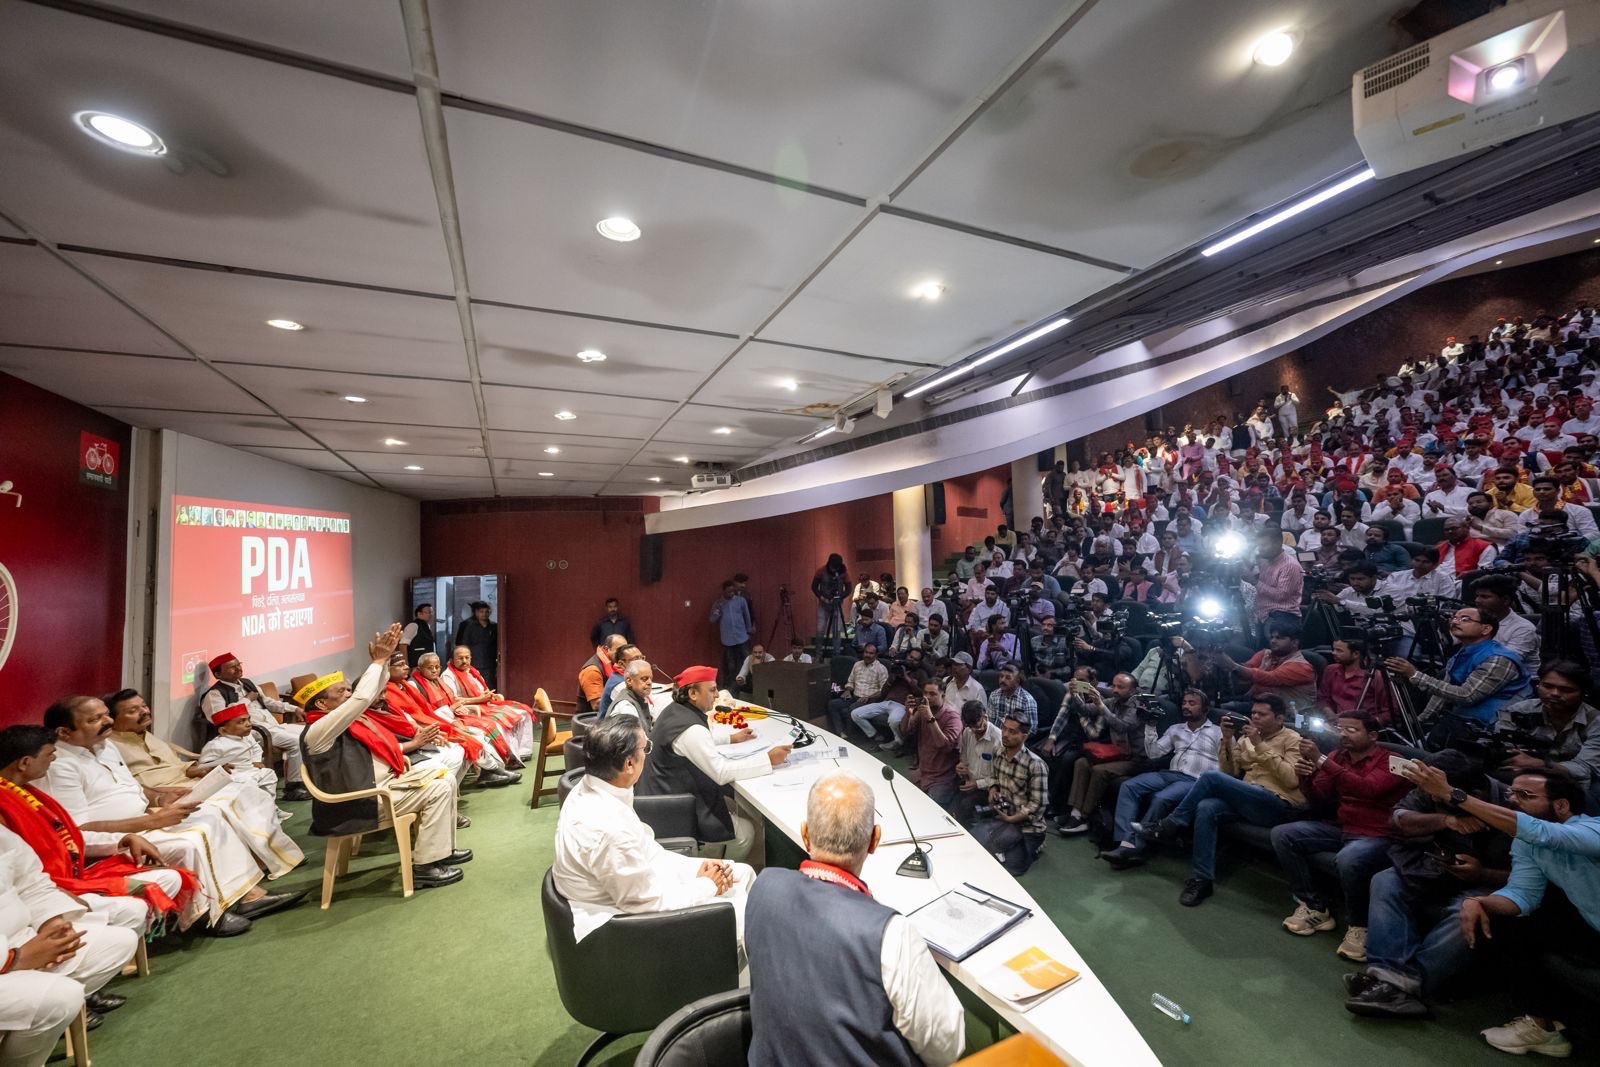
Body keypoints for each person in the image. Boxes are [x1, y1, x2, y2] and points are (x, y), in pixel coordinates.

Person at [745, 773, 963, 1067]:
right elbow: (947, 1046)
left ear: (805, 834)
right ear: (874, 840)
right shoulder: (890, 934)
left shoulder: (762, 887)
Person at [40, 695, 305, 929]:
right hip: (119, 838)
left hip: (145, 818)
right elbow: (75, 831)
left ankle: (246, 894)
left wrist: (159, 797)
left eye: (106, 714)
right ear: (64, 732)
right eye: (94, 719)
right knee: (189, 843)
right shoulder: (60, 767)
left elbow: (131, 786)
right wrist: (152, 820)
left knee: (211, 816)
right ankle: (204, 915)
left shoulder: (105, 745)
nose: (107, 721)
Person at [1398, 762, 1600, 1057]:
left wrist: (1453, 794)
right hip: (1590, 926)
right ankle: (1542, 1027)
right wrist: (1479, 901)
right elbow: (1522, 895)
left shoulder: (1592, 828)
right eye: (1511, 794)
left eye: (1525, 795)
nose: (1514, 800)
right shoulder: (1527, 843)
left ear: (1561, 805)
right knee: (1505, 920)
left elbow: (1545, 833)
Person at [553, 717, 753, 945]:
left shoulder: (592, 787)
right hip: (623, 922)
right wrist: (707, 885)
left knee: (742, 873)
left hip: (633, 887)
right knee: (749, 913)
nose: (648, 753)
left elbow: (646, 854)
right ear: (629, 764)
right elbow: (646, 903)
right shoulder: (609, 829)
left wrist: (695, 869)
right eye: (646, 747)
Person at [298, 625, 469, 890]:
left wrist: (384, 661)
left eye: (347, 689)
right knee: (438, 789)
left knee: (444, 777)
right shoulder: (318, 730)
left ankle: (442, 851)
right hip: (358, 801)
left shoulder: (340, 722)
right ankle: (425, 867)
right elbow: (362, 698)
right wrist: (378, 662)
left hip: (379, 788)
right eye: (341, 692)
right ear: (321, 704)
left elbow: (369, 695)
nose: (348, 695)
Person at [1344, 750, 1510, 1020]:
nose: (1432, 798)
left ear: (1472, 794)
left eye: (1439, 796)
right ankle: (1391, 977)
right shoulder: (1433, 788)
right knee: (1386, 880)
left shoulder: (1510, 805)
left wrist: (1482, 873)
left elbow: (1533, 877)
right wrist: (1446, 820)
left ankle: (1397, 985)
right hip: (1439, 866)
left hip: (1494, 880)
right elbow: (1399, 818)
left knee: (1467, 909)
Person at [0, 725, 202, 936]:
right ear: (25, 762)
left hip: (72, 874)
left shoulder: (26, 792)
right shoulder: (6, 804)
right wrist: (58, 894)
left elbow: (68, 837)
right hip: (48, 888)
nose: (54, 759)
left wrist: (123, 839)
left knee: (170, 879)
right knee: (135, 910)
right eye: (49, 754)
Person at [1138, 696, 1306, 906]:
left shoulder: (1293, 739)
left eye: (1262, 714)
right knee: (1206, 807)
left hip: (1275, 803)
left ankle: (1171, 824)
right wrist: (1226, 740)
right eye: (1253, 713)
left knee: (1210, 777)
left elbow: (1291, 780)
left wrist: (1259, 744)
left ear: (1279, 718)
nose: (1255, 717)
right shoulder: (1245, 739)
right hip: (1247, 799)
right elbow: (1230, 772)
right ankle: (1202, 880)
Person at [1270, 712, 1410, 962]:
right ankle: (1314, 906)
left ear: (1373, 735)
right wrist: (1305, 777)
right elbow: (1319, 799)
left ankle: (1359, 926)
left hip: (1379, 835)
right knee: (1284, 834)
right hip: (1343, 828)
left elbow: (1367, 789)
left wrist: (1321, 760)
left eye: (1351, 730)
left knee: (1349, 858)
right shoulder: (1337, 756)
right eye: (1340, 729)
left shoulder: (1394, 761)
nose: (1343, 734)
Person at [0, 826, 140, 1067]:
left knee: (119, 944)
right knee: (61, 998)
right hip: (9, 955)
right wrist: (16, 958)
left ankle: (29, 1034)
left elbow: (31, 884)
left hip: (24, 938)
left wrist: (53, 925)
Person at [638, 666, 790, 863]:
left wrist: (730, 738)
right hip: (673, 808)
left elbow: (694, 743)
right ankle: (720, 871)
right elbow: (721, 772)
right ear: (693, 693)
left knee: (733, 805)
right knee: (746, 833)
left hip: (661, 794)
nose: (717, 695)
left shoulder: (675, 711)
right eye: (712, 690)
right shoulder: (690, 728)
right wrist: (768, 759)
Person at [1100, 689, 1222, 869]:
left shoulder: (1219, 732)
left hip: (1195, 780)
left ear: (1205, 709)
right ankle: (1124, 843)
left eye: (1192, 703)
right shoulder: (1176, 729)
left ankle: (1134, 847)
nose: (1186, 706)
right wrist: (1151, 726)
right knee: (1129, 786)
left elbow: (1229, 761)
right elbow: (1154, 754)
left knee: (1161, 798)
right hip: (1170, 774)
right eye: (1184, 703)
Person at [1385, 607, 1531, 750]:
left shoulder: (1498, 658)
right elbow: (1443, 692)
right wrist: (1421, 721)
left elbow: (1467, 695)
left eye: (1465, 619)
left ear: (1486, 629)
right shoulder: (1464, 652)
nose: (1455, 622)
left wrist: (1415, 675)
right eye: (1454, 618)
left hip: (1490, 729)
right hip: (1462, 720)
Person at [198, 652, 307, 802]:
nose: (238, 668)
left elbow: (268, 702)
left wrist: (293, 708)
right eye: (231, 667)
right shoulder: (214, 694)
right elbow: (219, 718)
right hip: (252, 732)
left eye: (238, 664)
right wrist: (247, 699)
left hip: (273, 726)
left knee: (308, 733)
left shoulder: (247, 683)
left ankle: (308, 777)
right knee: (296, 742)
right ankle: (294, 787)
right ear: (218, 674)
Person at [1056, 673, 1151, 835]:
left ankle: (1085, 817)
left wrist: (1101, 705)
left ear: (1133, 690)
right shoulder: (1114, 701)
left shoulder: (1140, 706)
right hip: (1118, 753)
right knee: (1081, 762)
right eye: (1114, 686)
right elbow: (1085, 710)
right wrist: (1075, 695)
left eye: (1120, 687)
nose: (1115, 690)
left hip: (1136, 758)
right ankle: (1075, 813)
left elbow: (1122, 726)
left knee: (1099, 771)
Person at [1492, 661, 1599, 793]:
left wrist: (1542, 765)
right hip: (1523, 775)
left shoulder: (1595, 722)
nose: (1555, 693)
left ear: (1584, 693)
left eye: (1566, 690)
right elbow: (1503, 745)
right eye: (1547, 686)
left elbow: (1585, 768)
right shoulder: (1519, 710)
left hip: (1575, 783)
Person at [972, 714, 1048, 875]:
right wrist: (993, 789)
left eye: (1012, 731)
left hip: (1027, 826)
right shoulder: (999, 752)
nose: (1005, 734)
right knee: (976, 841)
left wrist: (1012, 819)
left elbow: (1038, 805)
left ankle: (1033, 846)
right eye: (1004, 729)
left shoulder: (1035, 764)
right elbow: (994, 777)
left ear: (1024, 736)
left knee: (1009, 867)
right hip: (1005, 816)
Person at [441, 645, 536, 761]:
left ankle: (524, 751)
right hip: (469, 710)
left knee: (524, 712)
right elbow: (454, 700)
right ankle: (508, 755)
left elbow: (482, 691)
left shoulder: (473, 671)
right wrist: (480, 699)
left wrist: (491, 696)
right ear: (451, 660)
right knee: (502, 721)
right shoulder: (448, 675)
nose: (464, 661)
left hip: (486, 704)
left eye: (467, 657)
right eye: (460, 658)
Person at [105, 690, 207, 789]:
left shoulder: (149, 737)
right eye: (133, 711)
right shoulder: (108, 747)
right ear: (112, 720)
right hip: (165, 794)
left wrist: (206, 771)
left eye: (144, 706)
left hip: (192, 785)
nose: (145, 711)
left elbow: (180, 768)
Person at [900, 679, 963, 808]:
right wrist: (907, 712)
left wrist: (930, 718)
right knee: (903, 800)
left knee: (929, 809)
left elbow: (945, 746)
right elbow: (905, 731)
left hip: (943, 778)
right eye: (925, 693)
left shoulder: (953, 718)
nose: (927, 697)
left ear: (943, 695)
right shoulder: (922, 712)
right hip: (923, 772)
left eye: (933, 694)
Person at [196, 703, 279, 796]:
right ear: (223, 730)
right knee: (250, 785)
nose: (249, 724)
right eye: (241, 722)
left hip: (251, 770)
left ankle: (268, 802)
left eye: (249, 719)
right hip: (235, 775)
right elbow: (204, 765)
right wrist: (219, 769)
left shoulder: (247, 737)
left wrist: (256, 761)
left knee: (269, 774)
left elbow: (256, 749)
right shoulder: (215, 745)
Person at [1315, 638, 1396, 724]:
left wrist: (1367, 724)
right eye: (1334, 649)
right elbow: (1322, 697)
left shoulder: (1375, 677)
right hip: (1336, 724)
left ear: (1356, 654)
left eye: (1339, 650)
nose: (1333, 653)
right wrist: (1328, 712)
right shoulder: (1331, 670)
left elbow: (1391, 711)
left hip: (1364, 726)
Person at [951, 700, 1002, 824]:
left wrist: (977, 784)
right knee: (950, 806)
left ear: (985, 716)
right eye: (971, 727)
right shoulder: (967, 732)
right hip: (969, 782)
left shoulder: (998, 739)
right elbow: (964, 758)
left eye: (978, 726)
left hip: (987, 788)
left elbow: (1000, 777)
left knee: (964, 807)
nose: (974, 730)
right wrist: (961, 767)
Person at [1472, 575, 1540, 667]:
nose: (1477, 600)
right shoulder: (1472, 620)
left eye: (1485, 597)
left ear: (1506, 600)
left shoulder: (1523, 629)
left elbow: (1504, 664)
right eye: (1477, 596)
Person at [709, 580, 754, 691]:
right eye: (729, 591)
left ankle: (751, 683)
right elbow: (712, 620)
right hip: (727, 639)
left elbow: (747, 615)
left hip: (742, 636)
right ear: (723, 591)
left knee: (748, 659)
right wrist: (718, 609)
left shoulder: (741, 600)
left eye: (733, 591)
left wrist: (749, 630)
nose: (731, 593)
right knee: (731, 664)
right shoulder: (719, 603)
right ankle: (732, 687)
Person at [452, 600, 499, 689]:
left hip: (490, 663)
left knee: (490, 686)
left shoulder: (494, 626)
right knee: (475, 685)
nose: (484, 614)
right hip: (474, 661)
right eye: (481, 612)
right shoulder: (469, 626)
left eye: (487, 612)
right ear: (476, 613)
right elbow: (464, 644)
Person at [578, 634, 627, 716]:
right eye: (619, 650)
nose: (623, 654)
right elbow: (596, 705)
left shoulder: (615, 664)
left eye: (625, 650)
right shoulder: (592, 670)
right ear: (607, 649)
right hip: (590, 720)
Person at [812, 554, 851, 656]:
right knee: (820, 629)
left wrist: (840, 597)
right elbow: (814, 587)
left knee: (836, 630)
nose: (835, 569)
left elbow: (849, 589)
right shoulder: (821, 571)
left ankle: (836, 654)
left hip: (837, 604)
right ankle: (818, 653)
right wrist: (822, 597)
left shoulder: (843, 572)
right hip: (823, 604)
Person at [605, 659, 657, 728]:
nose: (650, 682)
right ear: (629, 681)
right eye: (644, 679)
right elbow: (637, 733)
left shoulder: (640, 697)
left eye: (651, 678)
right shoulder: (625, 706)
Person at [597, 644, 643, 716]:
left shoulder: (629, 676)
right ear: (621, 663)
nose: (642, 662)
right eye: (636, 659)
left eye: (642, 658)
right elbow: (631, 714)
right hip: (613, 722)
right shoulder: (619, 685)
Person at [405, 602, 436, 667]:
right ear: (419, 614)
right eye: (428, 612)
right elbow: (403, 645)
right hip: (415, 664)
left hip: (426, 665)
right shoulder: (413, 625)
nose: (431, 614)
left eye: (431, 612)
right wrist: (406, 663)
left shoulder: (427, 627)